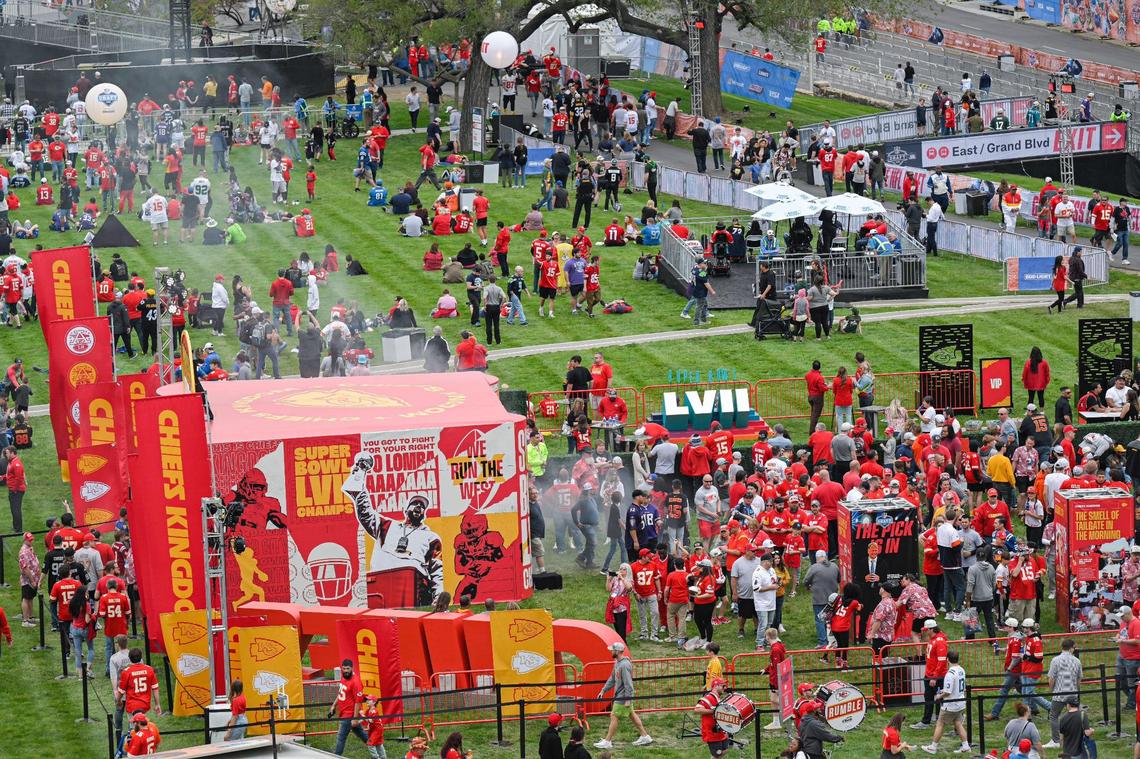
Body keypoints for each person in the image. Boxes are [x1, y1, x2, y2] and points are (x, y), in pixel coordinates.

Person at [593, 641, 652, 749]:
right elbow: (612, 678)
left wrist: (628, 699)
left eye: (612, 650)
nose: (611, 651)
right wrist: (603, 690)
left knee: (614, 716)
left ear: (618, 651)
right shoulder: (617, 663)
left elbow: (628, 684)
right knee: (632, 715)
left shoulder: (624, 665)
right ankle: (645, 736)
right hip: (622, 696)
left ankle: (607, 741)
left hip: (623, 696)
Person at [921, 650, 970, 754]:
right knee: (958, 723)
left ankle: (933, 747)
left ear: (947, 660)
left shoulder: (950, 673)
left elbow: (948, 692)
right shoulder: (962, 670)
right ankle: (965, 746)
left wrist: (939, 696)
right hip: (960, 703)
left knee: (940, 724)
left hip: (951, 704)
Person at [1045, 638, 1082, 749]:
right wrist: (1077, 691)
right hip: (1073, 693)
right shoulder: (1077, 661)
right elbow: (1079, 679)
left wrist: (1052, 690)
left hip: (1059, 693)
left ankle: (1056, 741)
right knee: (1075, 716)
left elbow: (1052, 678)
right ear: (1071, 648)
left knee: (1054, 716)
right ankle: (1077, 738)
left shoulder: (1055, 660)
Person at [329, 658, 367, 755]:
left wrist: (354, 718)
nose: (345, 671)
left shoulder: (356, 682)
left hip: (349, 715)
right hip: (344, 713)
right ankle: (377, 748)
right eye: (344, 668)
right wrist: (333, 705)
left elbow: (358, 702)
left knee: (341, 737)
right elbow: (340, 693)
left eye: (347, 669)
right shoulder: (344, 677)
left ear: (352, 668)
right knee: (361, 734)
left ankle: (336, 756)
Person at [693, 677, 730, 757]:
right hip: (712, 733)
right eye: (723, 686)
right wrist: (713, 711)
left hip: (720, 732)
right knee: (718, 754)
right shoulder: (708, 698)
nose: (725, 688)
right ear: (716, 686)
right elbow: (697, 709)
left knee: (725, 750)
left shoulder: (718, 699)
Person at [4, 446, 25, 531]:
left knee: (16, 509)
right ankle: (15, 526)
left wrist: (15, 489)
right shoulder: (12, 462)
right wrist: (2, 477)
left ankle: (19, 529)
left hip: (16, 490)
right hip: (13, 489)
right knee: (13, 509)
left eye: (7, 453)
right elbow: (11, 475)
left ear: (12, 453)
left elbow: (19, 479)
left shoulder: (16, 464)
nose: (6, 454)